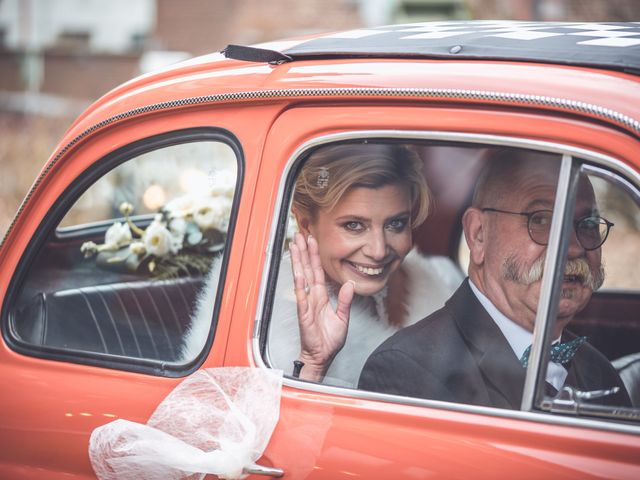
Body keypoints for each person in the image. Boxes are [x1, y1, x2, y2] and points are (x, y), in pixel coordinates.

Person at [358, 148, 631, 408]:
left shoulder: (599, 371)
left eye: (588, 224)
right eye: (542, 220)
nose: (575, 247)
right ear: (479, 235)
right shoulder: (408, 369)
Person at [265, 143, 464, 387]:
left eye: (396, 224)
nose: (379, 250)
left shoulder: (441, 279)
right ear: (306, 224)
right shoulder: (265, 325)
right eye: (354, 226)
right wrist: (313, 365)